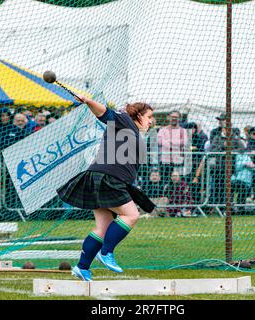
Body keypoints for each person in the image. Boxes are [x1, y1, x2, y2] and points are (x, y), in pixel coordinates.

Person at [56, 95, 155, 281]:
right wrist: (87, 100)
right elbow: (103, 113)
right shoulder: (125, 120)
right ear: (138, 115)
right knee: (131, 215)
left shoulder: (131, 131)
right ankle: (106, 252)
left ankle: (82, 267)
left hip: (102, 178)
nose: (151, 121)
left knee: (103, 228)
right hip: (107, 178)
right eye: (149, 116)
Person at [157, 110, 188, 184]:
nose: (174, 118)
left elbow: (184, 142)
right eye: (172, 117)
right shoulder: (162, 130)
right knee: (164, 182)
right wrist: (176, 143)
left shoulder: (183, 131)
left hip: (178, 161)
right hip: (165, 161)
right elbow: (160, 142)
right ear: (168, 118)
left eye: (176, 117)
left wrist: (169, 141)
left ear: (179, 119)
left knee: (178, 182)